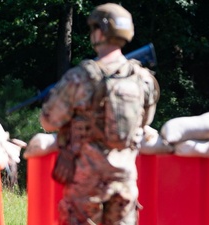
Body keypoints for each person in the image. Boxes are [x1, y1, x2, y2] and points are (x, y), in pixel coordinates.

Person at [39, 3, 160, 225]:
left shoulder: (80, 76)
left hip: (86, 184)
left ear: (100, 31)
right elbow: (144, 122)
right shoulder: (143, 79)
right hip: (124, 181)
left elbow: (49, 122)